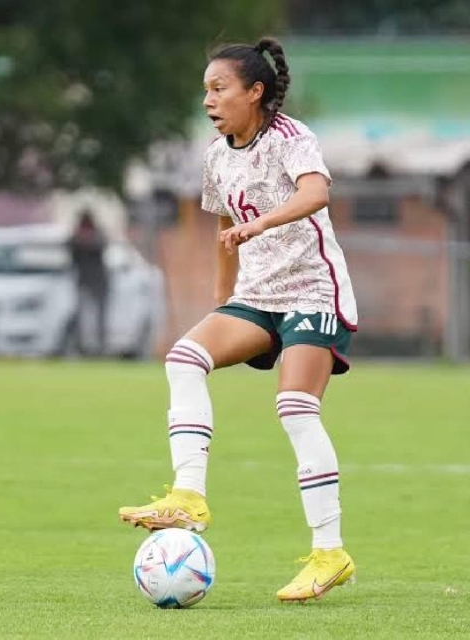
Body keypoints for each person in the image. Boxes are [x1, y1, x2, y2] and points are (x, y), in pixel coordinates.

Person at [119, 37, 358, 603]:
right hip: (256, 296)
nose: (209, 99)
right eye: (205, 90)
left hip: (311, 294)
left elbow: (317, 194)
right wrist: (222, 302)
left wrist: (260, 226)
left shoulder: (292, 139)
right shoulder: (216, 156)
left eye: (220, 88)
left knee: (296, 409)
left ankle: (330, 553)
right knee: (184, 357)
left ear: (256, 92)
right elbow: (224, 232)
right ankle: (189, 495)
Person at [68, 210, 109, 356]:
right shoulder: (76, 237)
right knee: (79, 316)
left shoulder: (98, 236)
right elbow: (71, 248)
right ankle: (80, 345)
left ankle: (101, 346)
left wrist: (86, 239)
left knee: (100, 316)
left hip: (98, 281)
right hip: (83, 280)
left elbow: (101, 245)